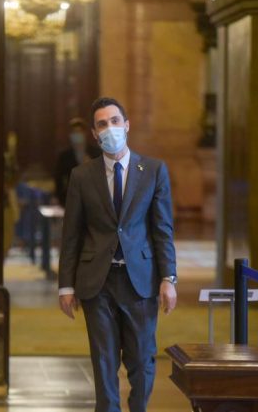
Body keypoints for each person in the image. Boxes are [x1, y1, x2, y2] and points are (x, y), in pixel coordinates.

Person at [58, 97, 177, 412]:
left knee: (142, 358)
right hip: (98, 281)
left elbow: (162, 229)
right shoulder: (82, 176)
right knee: (103, 360)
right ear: (94, 135)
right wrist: (66, 285)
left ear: (126, 125)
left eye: (114, 121)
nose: (109, 128)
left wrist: (169, 278)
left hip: (140, 281)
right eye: (102, 124)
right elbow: (71, 235)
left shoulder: (153, 170)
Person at [54, 117, 102, 206]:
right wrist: (59, 198)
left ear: (85, 133)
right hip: (72, 198)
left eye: (79, 132)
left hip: (94, 198)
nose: (77, 135)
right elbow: (59, 178)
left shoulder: (96, 153)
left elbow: (103, 175)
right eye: (74, 133)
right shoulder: (65, 156)